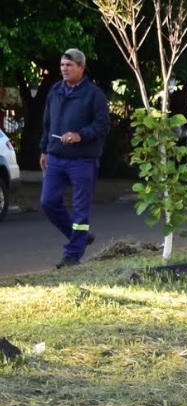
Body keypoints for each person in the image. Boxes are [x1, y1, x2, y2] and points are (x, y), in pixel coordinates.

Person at [39, 48, 110, 269]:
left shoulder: (94, 94)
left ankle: (72, 255)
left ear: (81, 67)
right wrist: (44, 150)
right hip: (56, 157)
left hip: (82, 160)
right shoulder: (55, 91)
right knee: (48, 201)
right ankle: (78, 236)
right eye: (62, 65)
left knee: (81, 209)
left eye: (69, 65)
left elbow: (102, 125)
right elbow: (47, 124)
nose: (64, 69)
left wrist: (80, 135)